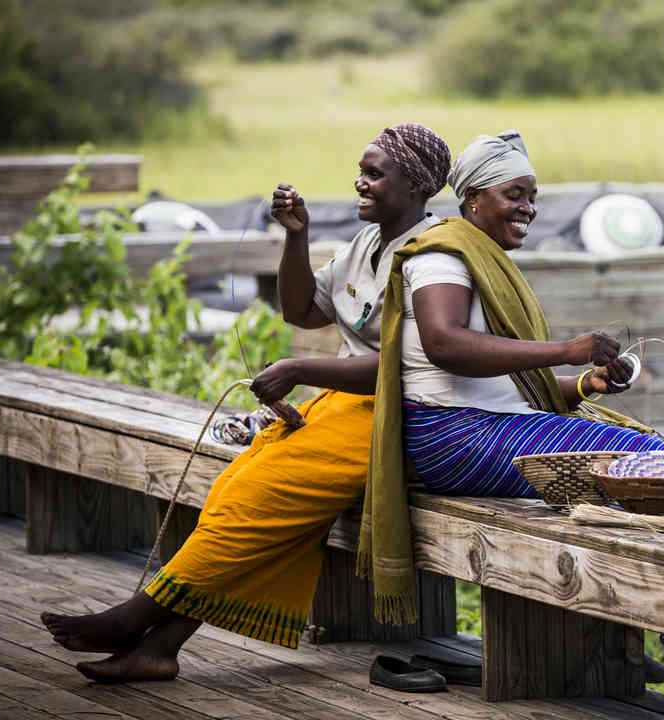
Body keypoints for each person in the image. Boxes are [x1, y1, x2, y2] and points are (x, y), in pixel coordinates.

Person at [40, 123, 453, 684]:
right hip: (344, 407)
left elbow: (401, 367)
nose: (360, 182)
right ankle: (158, 647)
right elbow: (302, 310)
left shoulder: (431, 256)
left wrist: (301, 367)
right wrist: (297, 236)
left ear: (417, 184)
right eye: (361, 169)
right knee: (237, 490)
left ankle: (133, 619)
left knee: (262, 496)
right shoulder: (368, 243)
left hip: (393, 419)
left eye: (375, 173)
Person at [359, 130, 664, 695]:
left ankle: (655, 646)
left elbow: (512, 391)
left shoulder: (476, 255)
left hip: (484, 430)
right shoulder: (444, 254)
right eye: (514, 193)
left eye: (532, 195)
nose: (528, 207)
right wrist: (565, 349)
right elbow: (444, 344)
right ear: (473, 199)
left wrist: (583, 382)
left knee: (660, 471)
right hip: (454, 439)